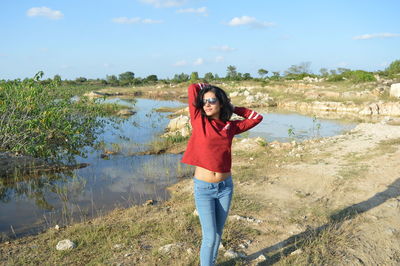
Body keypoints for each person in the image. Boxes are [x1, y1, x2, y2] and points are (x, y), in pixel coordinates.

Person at [181, 83, 263, 265]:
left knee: (218, 234)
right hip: (204, 188)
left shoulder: (230, 127)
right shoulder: (199, 121)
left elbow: (256, 117)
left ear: (221, 103)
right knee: (209, 236)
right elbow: (193, 87)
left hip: (225, 187)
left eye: (212, 100)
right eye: (204, 101)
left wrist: (232, 107)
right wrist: (209, 87)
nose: (207, 104)